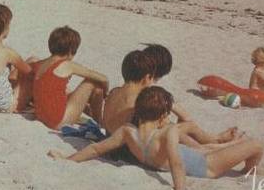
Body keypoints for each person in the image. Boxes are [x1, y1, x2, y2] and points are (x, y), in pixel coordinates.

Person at [49, 86, 264, 190]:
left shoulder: (127, 131)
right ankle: (247, 171)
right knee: (257, 145)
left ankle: (228, 143)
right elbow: (176, 162)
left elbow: (96, 149)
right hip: (207, 166)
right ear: (163, 116)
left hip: (196, 156)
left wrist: (68, 159)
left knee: (205, 145)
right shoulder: (168, 132)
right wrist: (180, 189)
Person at [102, 50, 238, 146]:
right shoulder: (138, 102)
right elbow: (185, 119)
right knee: (174, 126)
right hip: (127, 149)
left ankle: (213, 140)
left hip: (109, 142)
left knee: (167, 123)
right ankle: (214, 141)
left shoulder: (114, 93)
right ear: (147, 77)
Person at [32, 26, 108, 129]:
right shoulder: (66, 64)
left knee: (66, 91)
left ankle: (92, 114)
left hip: (41, 117)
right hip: (57, 122)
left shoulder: (40, 63)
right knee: (93, 83)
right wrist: (105, 92)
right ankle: (99, 122)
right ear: (71, 50)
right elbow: (103, 78)